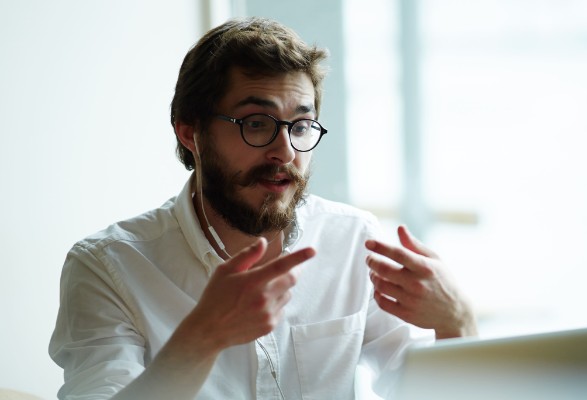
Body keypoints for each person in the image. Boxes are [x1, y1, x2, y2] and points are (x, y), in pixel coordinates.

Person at [49, 17, 477, 400]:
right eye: (256, 123)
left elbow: (421, 390)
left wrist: (457, 326)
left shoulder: (352, 242)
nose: (285, 150)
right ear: (190, 133)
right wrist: (203, 336)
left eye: (302, 125)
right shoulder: (107, 267)